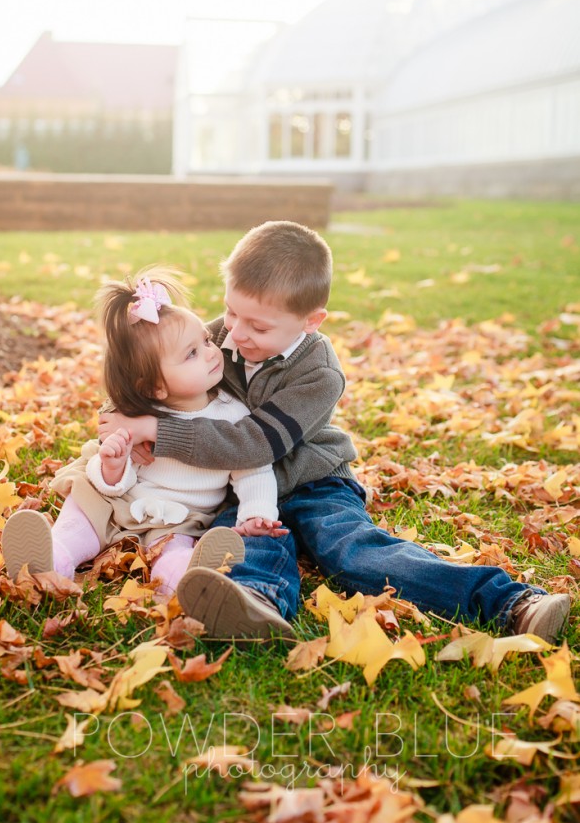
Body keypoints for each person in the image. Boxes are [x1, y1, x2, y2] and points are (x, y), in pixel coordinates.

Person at [99, 221, 572, 644]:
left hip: (313, 481)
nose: (235, 333)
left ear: (310, 321)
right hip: (242, 489)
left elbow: (257, 443)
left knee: (349, 550)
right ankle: (252, 603)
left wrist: (156, 431)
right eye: (231, 312)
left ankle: (510, 603)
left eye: (257, 325)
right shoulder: (221, 335)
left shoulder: (318, 372)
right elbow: (157, 369)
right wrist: (122, 422)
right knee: (236, 541)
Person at [1, 269, 288, 607]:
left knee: (175, 550)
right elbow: (112, 482)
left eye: (207, 341)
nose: (212, 352)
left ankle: (186, 579)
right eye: (192, 353)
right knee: (82, 515)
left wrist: (255, 512)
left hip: (180, 518)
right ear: (156, 387)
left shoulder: (233, 414)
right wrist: (112, 465)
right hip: (116, 503)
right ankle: (53, 556)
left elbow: (252, 468)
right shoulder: (137, 415)